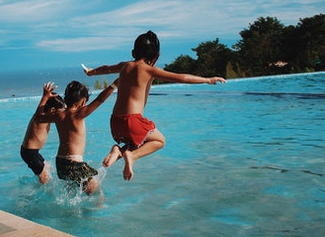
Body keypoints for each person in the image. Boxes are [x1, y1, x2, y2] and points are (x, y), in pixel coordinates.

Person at [83, 30, 226, 181]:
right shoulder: (149, 70)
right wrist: (208, 80)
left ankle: (118, 150)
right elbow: (181, 77)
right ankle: (131, 155)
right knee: (159, 141)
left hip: (115, 122)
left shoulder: (124, 66)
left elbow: (106, 68)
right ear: (156, 56)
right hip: (133, 120)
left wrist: (91, 72)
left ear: (133, 52)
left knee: (138, 141)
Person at [35, 79, 118, 194]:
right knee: (96, 191)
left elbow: (38, 118)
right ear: (83, 101)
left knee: (72, 192)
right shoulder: (79, 114)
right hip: (74, 163)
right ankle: (95, 210)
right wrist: (114, 85)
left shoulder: (59, 115)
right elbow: (100, 99)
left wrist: (44, 98)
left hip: (60, 163)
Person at [20, 82, 65, 184]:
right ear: (52, 110)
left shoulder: (46, 116)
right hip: (29, 153)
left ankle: (39, 186)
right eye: (60, 111)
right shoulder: (40, 118)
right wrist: (45, 97)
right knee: (44, 178)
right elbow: (39, 112)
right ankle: (39, 196)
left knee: (49, 169)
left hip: (33, 152)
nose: (61, 113)